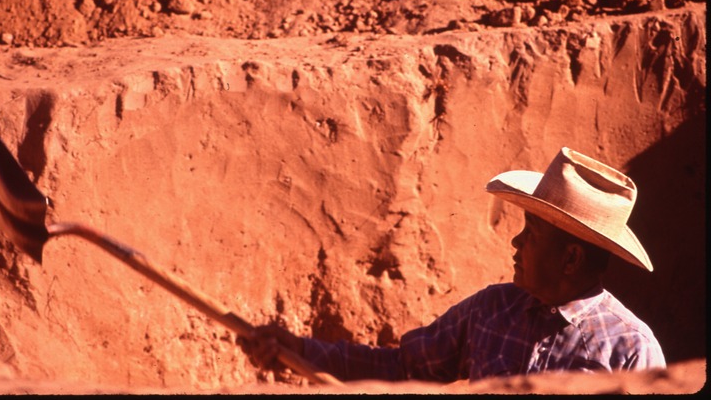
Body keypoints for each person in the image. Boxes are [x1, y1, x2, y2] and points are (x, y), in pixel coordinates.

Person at [237, 147, 666, 383]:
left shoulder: (630, 351)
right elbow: (400, 368)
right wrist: (298, 351)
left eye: (531, 233)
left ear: (571, 258)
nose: (516, 244)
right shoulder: (492, 311)